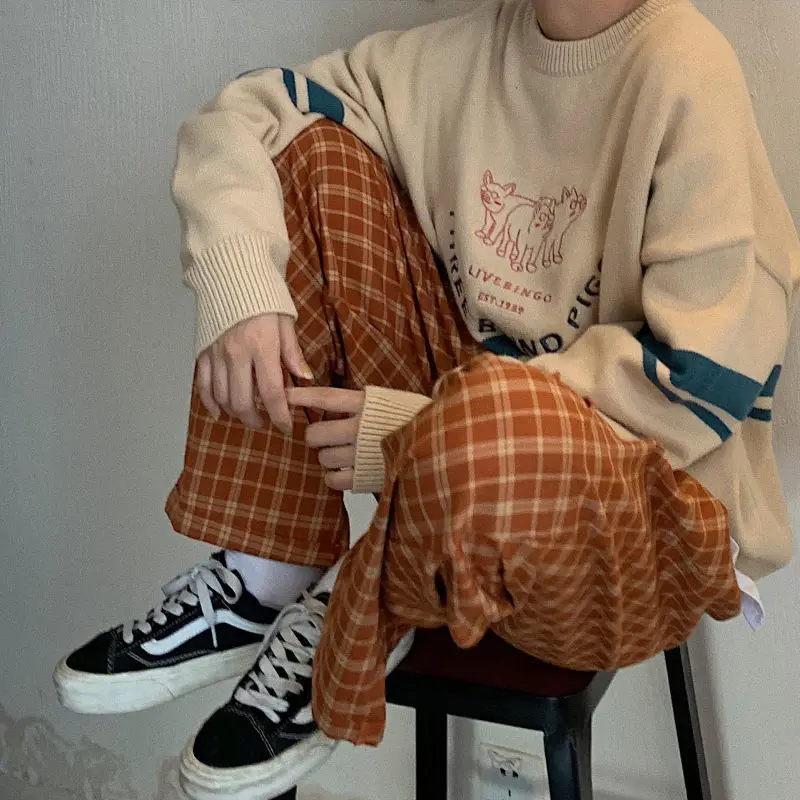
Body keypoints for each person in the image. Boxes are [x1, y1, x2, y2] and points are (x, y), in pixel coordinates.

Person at [54, 0, 800, 798]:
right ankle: (269, 576)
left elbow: (702, 383)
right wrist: (239, 285)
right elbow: (246, 113)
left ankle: (367, 597)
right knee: (309, 156)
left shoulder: (685, 70)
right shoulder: (464, 55)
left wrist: (419, 436)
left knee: (495, 413)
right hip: (465, 467)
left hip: (636, 530)